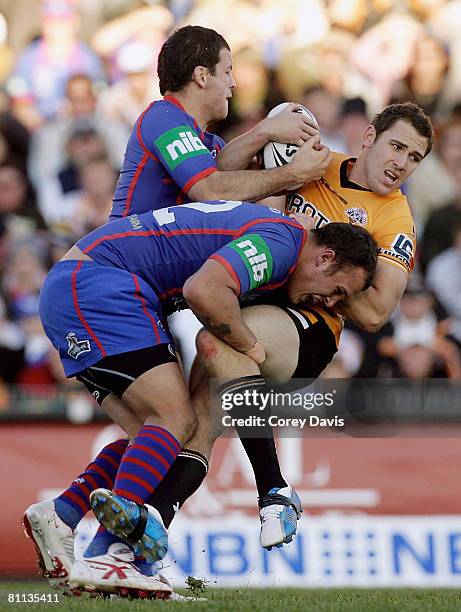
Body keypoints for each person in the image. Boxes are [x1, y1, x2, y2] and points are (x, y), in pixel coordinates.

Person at [24, 202, 377, 597]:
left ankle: (63, 513)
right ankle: (114, 553)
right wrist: (251, 347)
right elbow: (203, 289)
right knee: (176, 418)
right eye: (337, 291)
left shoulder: (276, 235)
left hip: (77, 287)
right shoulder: (283, 242)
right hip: (103, 286)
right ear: (325, 257)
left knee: (153, 434)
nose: (330, 303)